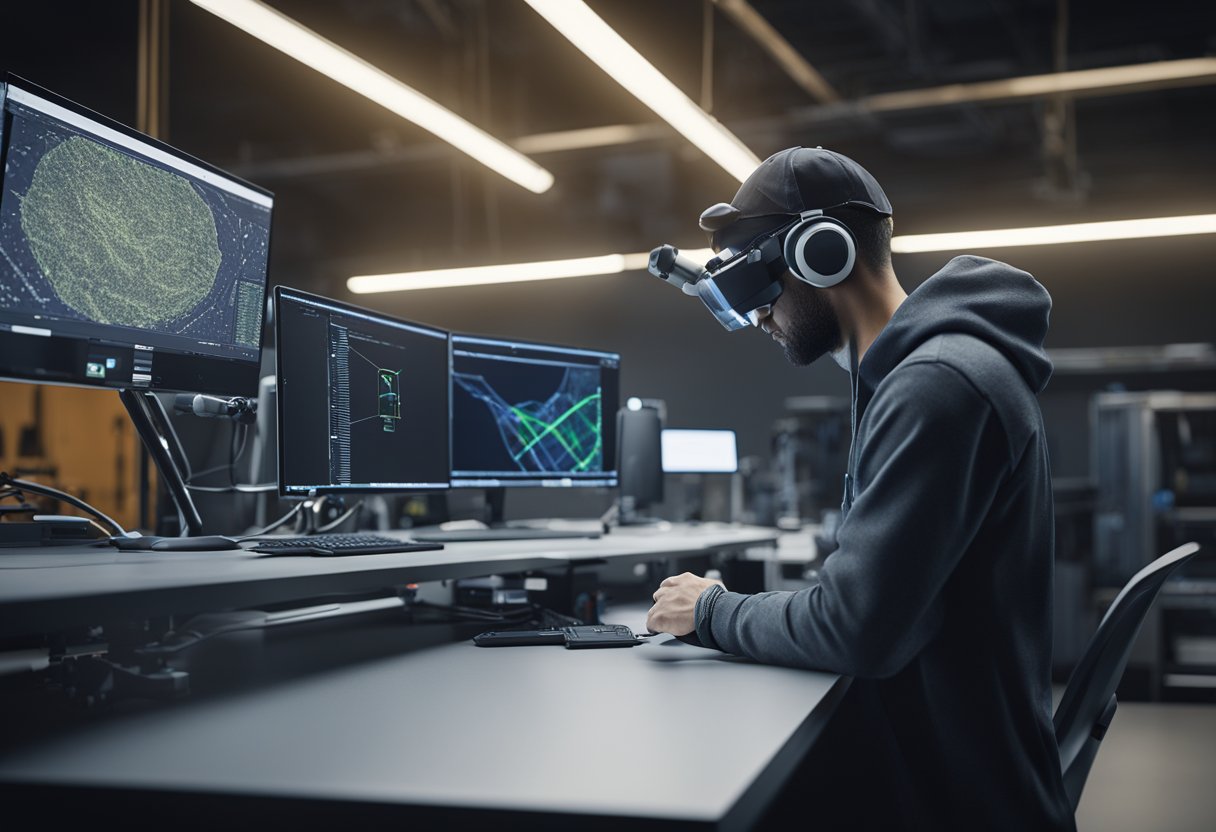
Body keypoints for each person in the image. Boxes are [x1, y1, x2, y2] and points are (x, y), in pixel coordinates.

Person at [646, 146, 1075, 830]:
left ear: (824, 253)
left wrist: (714, 609)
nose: (759, 317)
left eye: (763, 284)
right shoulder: (923, 374)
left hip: (957, 801)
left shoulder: (938, 385)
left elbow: (857, 630)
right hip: (935, 762)